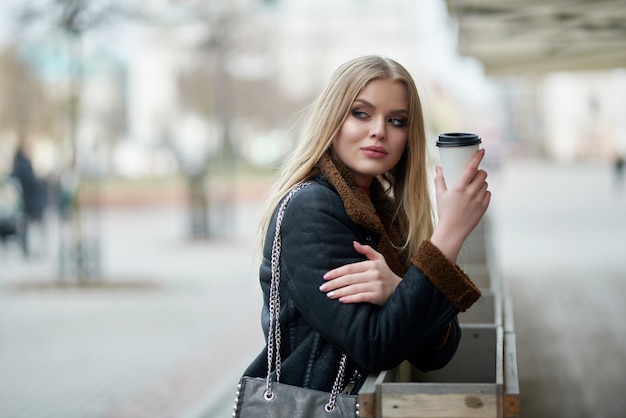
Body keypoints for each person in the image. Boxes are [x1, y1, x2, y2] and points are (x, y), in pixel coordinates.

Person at [241, 56, 491, 396]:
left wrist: (396, 288)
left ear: (407, 138)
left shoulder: (386, 213)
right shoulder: (311, 208)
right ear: (333, 120)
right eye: (361, 113)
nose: (379, 130)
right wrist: (449, 233)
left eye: (397, 120)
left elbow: (438, 352)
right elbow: (374, 346)